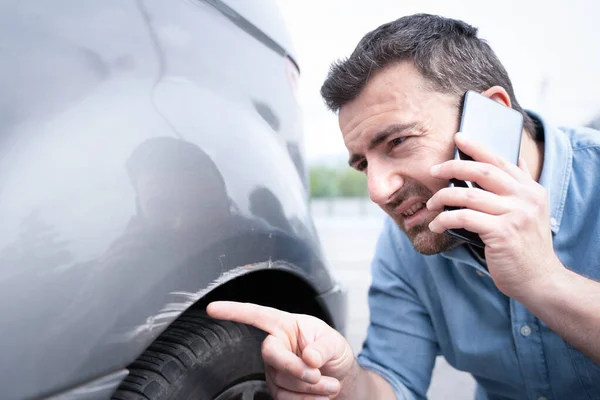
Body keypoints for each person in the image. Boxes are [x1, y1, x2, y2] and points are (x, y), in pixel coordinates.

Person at [207, 14, 600, 399]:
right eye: (363, 164)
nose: (377, 191)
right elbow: (394, 383)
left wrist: (543, 280)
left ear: (492, 114)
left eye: (397, 142)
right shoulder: (410, 236)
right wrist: (344, 383)